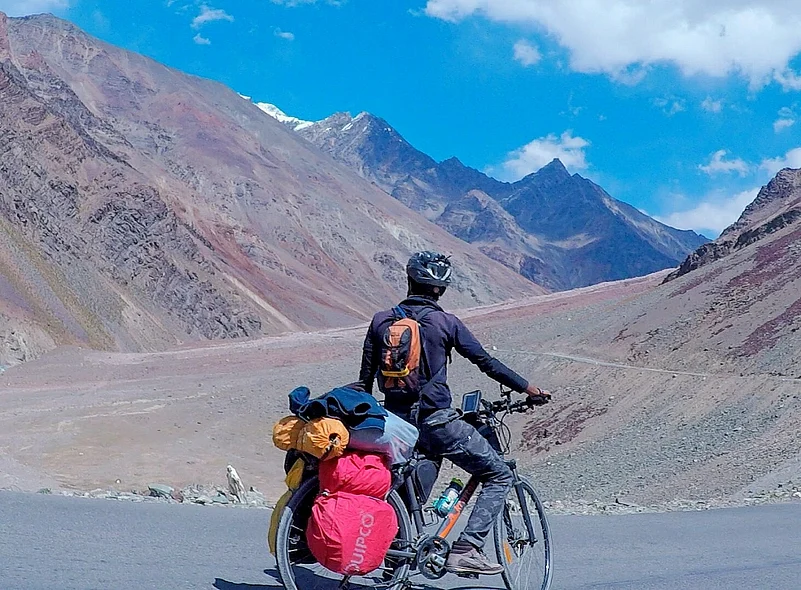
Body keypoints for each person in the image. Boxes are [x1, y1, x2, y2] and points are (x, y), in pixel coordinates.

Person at [357, 250, 551, 576]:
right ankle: (466, 548)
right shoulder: (445, 323)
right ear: (441, 289)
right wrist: (528, 388)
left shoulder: (381, 321)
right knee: (499, 473)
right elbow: (486, 362)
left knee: (408, 497)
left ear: (409, 280)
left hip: (395, 425)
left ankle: (397, 567)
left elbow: (365, 380)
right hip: (435, 421)